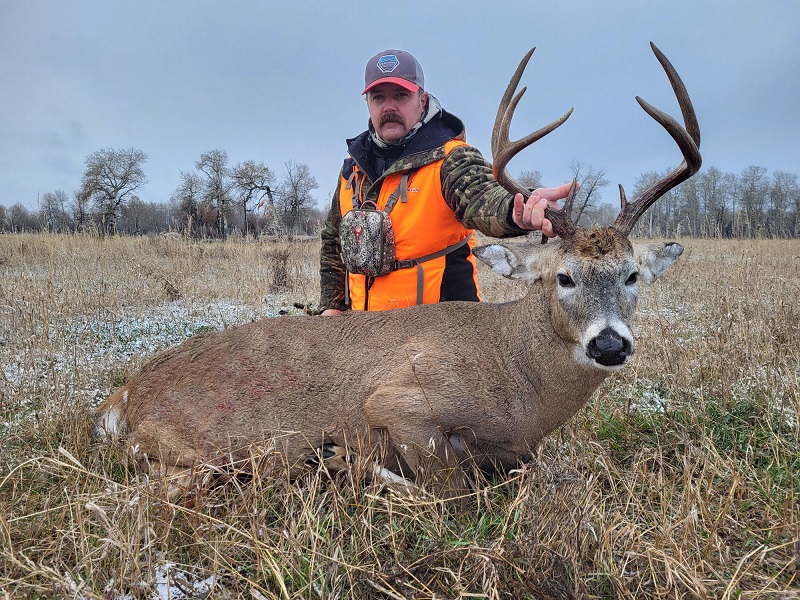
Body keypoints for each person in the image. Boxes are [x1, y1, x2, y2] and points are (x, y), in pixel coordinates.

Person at [319, 49, 573, 315]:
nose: (389, 107)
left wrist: (516, 210)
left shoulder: (451, 158)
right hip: (362, 330)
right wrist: (331, 306)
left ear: (422, 99)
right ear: (368, 103)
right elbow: (332, 239)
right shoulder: (353, 166)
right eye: (379, 97)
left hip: (440, 338)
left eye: (401, 95)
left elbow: (484, 199)